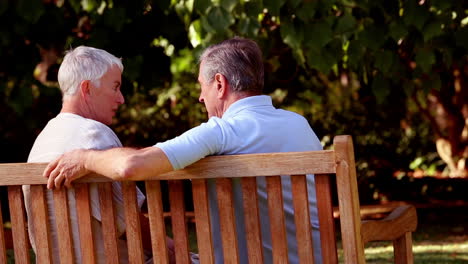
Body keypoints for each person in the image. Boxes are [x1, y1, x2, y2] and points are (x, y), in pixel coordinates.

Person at [43, 37, 323, 263]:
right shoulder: (300, 125)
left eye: (202, 87)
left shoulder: (222, 131)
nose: (201, 97)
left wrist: (84, 157)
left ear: (220, 84)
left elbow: (131, 166)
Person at [23, 46, 153, 263]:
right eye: (115, 87)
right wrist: (172, 251)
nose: (121, 99)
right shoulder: (94, 133)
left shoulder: (41, 141)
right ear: (87, 88)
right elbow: (131, 223)